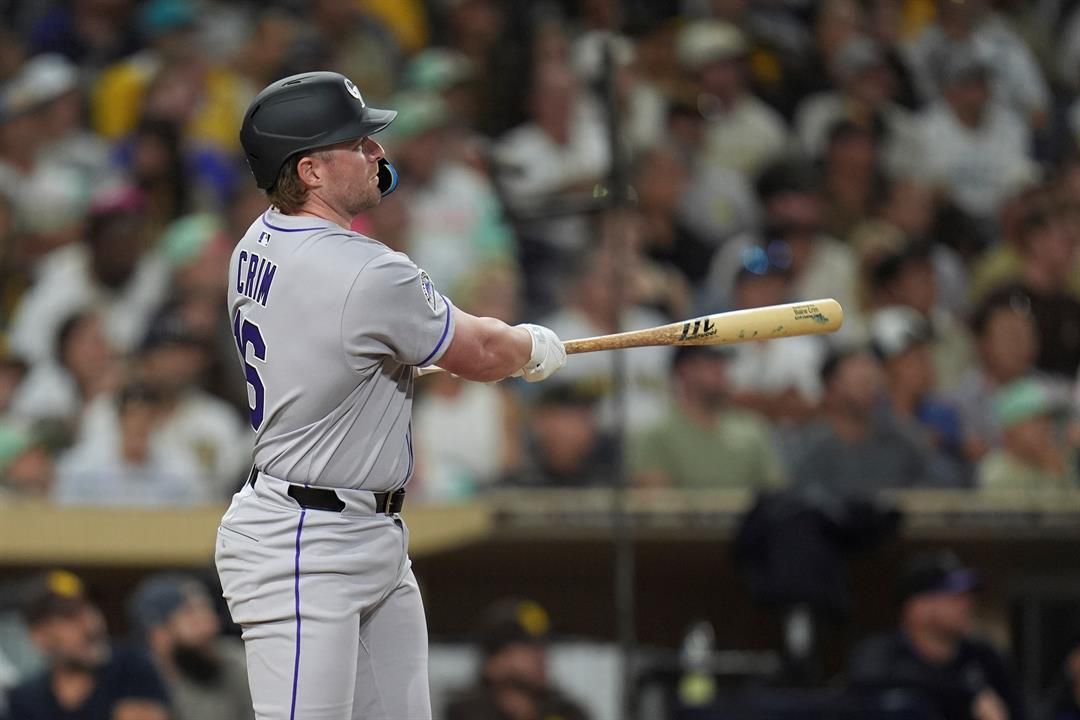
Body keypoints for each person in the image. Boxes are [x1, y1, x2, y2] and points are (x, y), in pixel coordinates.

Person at [215, 72, 567, 720]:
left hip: (365, 529)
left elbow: (342, 354)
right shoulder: (366, 271)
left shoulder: (256, 241)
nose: (379, 152)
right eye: (359, 143)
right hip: (304, 543)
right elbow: (482, 354)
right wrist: (532, 348)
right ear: (312, 170)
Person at [849, 550, 1024, 720]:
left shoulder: (984, 657)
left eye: (967, 596)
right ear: (917, 607)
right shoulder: (880, 654)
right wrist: (966, 695)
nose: (967, 603)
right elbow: (869, 686)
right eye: (954, 596)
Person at [6, 570, 170, 720]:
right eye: (70, 617)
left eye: (88, 608)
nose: (90, 623)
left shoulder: (131, 667)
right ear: (39, 635)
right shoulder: (26, 699)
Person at [629, 344, 784, 490]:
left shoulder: (751, 429)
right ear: (684, 370)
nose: (721, 369)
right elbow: (656, 508)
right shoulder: (657, 434)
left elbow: (773, 495)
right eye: (711, 361)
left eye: (723, 362)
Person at [129, 573, 253, 720]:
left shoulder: (235, 663)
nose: (212, 625)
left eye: (207, 609)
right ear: (158, 634)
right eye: (191, 613)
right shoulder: (135, 684)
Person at [444, 598, 590, 720]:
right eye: (527, 646)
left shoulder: (568, 713)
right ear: (494, 662)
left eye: (543, 645)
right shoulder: (466, 714)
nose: (541, 655)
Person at [977, 379, 1079, 493]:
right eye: (1036, 420)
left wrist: (1057, 470)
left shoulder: (1052, 461)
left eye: (1047, 420)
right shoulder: (995, 469)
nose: (1045, 427)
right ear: (1013, 428)